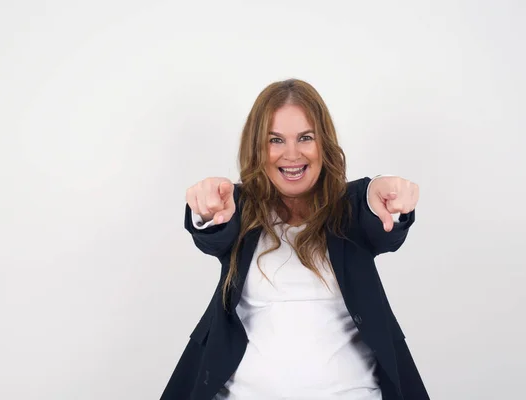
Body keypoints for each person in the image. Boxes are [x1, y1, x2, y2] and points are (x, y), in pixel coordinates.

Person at [160, 79, 429, 400]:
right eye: (275, 140)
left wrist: (384, 190)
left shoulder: (352, 207)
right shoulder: (239, 206)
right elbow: (215, 236)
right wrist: (206, 209)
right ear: (257, 147)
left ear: (323, 143)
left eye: (305, 138)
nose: (291, 154)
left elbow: (377, 219)